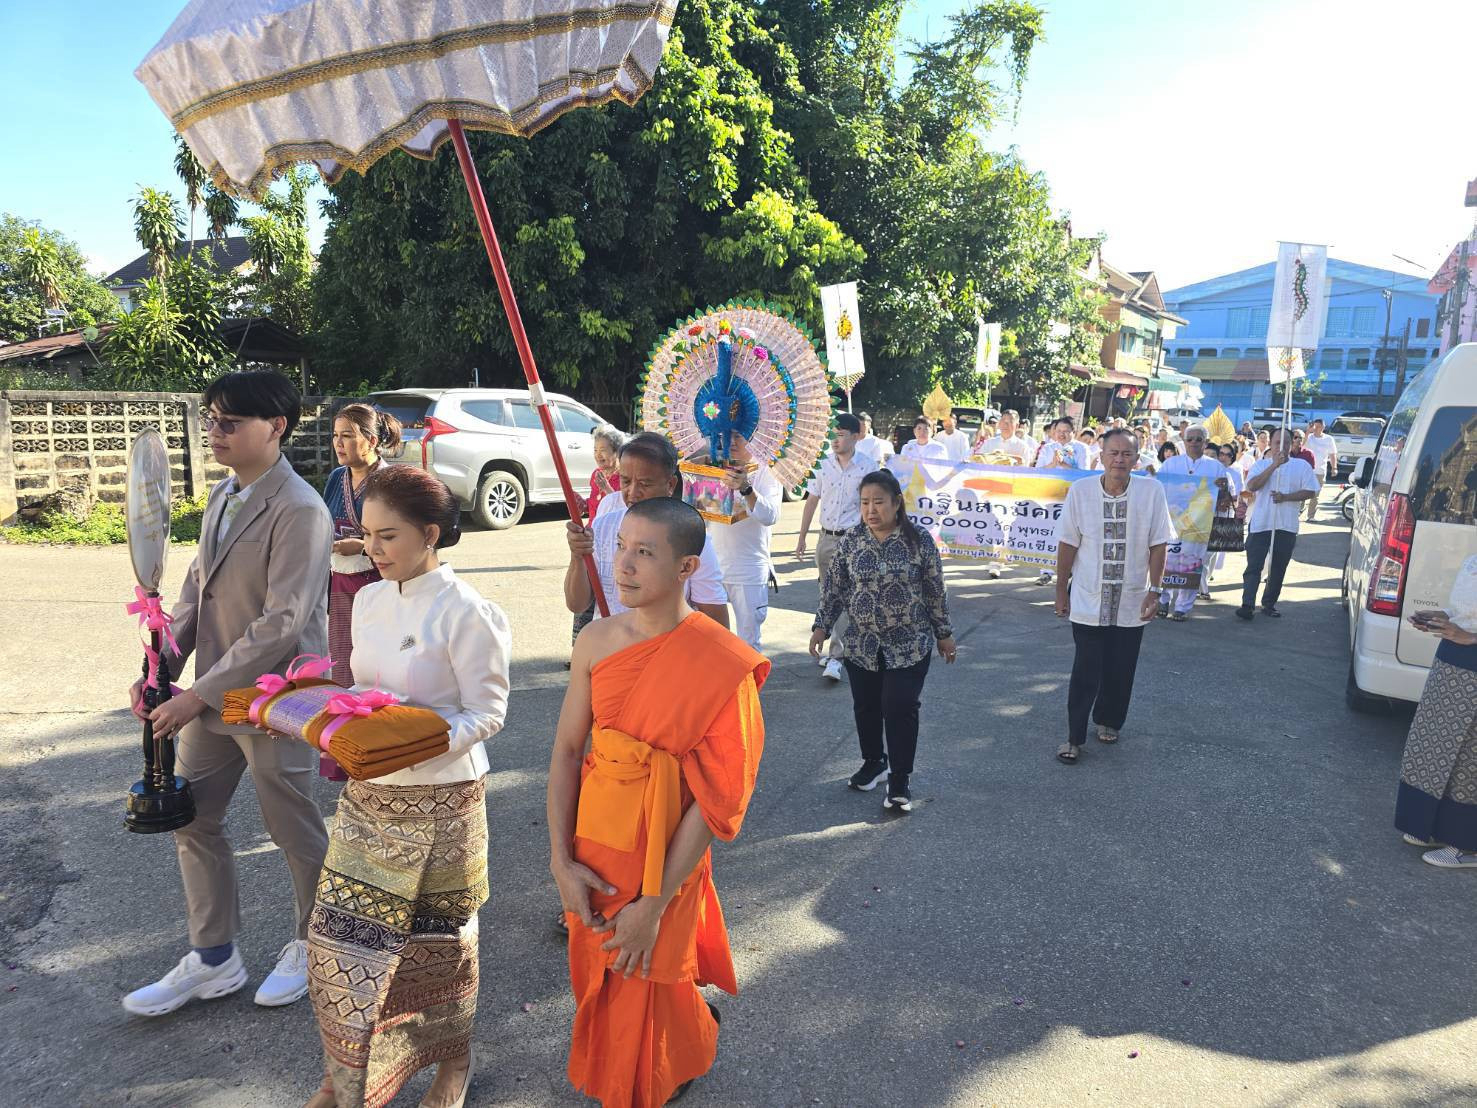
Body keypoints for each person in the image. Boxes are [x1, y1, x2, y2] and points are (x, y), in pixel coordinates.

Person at [123, 371, 332, 1018]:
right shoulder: (222, 495)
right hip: (211, 698)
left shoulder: (300, 509)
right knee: (193, 818)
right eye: (211, 419)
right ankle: (214, 958)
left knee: (291, 828)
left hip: (278, 697)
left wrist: (195, 693)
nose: (215, 431)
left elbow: (283, 621)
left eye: (229, 421)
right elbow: (194, 595)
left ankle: (314, 945)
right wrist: (164, 665)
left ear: (276, 427)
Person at [549, 497, 767, 1108]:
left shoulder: (720, 661)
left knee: (648, 962)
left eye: (645, 552)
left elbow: (716, 795)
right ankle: (673, 1045)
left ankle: (664, 1067)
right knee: (601, 965)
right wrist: (560, 861)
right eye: (621, 547)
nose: (624, 565)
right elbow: (567, 752)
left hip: (667, 851)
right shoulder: (595, 639)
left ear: (686, 567)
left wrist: (656, 898)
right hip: (595, 841)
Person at [305, 466, 511, 1108]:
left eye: (387, 536)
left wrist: (412, 739)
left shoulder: (469, 612)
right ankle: (345, 1076)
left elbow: (488, 712)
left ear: (430, 534)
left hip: (444, 802)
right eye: (366, 534)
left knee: (440, 949)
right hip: (370, 800)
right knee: (342, 944)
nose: (372, 548)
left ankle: (454, 1065)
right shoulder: (367, 600)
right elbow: (359, 691)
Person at [811, 469, 955, 812]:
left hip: (909, 643)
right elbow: (834, 588)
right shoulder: (851, 541)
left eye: (878, 502)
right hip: (862, 645)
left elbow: (935, 590)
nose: (870, 510)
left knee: (899, 707)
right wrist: (822, 626)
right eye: (864, 503)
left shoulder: (919, 540)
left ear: (896, 503)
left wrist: (944, 634)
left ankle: (900, 779)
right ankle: (874, 761)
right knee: (867, 707)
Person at [1053, 428, 1173, 764]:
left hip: (1132, 598)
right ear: (1101, 456)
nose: (1119, 460)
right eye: (1113, 453)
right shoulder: (1081, 491)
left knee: (1121, 668)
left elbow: (1159, 543)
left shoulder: (1152, 491)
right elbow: (1068, 543)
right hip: (1089, 598)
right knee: (1086, 669)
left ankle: (1109, 720)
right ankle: (1074, 736)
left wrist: (1156, 590)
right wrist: (1061, 589)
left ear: (1137, 458)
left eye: (1127, 454)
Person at [565, 432, 729, 628]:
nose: (632, 493)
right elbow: (577, 603)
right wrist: (578, 555)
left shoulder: (692, 536)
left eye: (645, 484)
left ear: (670, 484)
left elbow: (716, 624)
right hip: (610, 650)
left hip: (668, 651)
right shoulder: (602, 526)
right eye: (625, 481)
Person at [1395, 556, 1477, 868]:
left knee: (1468, 756)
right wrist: (1442, 618)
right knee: (1432, 746)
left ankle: (1467, 846)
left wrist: (1471, 637)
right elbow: (1467, 613)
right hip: (1452, 659)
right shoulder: (1472, 558)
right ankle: (1434, 826)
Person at [323, 403, 403, 689]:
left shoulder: (391, 483)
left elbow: (403, 539)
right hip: (341, 587)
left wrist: (361, 546)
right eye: (335, 435)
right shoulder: (336, 479)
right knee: (343, 659)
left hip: (380, 584)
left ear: (371, 440)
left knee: (379, 661)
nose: (338, 443)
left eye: (347, 435)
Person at [796, 413, 876, 680]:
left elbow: (874, 505)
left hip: (853, 539)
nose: (835, 439)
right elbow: (811, 500)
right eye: (833, 434)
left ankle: (836, 656)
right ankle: (835, 645)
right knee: (827, 594)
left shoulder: (867, 467)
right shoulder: (823, 464)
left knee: (846, 595)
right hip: (826, 538)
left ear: (855, 436)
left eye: (841, 434)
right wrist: (802, 536)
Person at [707, 432, 782, 651]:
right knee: (710, 641)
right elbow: (703, 513)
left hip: (748, 569)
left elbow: (771, 516)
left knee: (747, 645)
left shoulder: (767, 470)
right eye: (726, 436)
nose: (731, 442)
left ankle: (749, 686)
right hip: (713, 567)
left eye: (739, 436)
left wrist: (746, 489)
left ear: (755, 438)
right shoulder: (716, 465)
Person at [1236, 428, 1320, 621]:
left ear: (1292, 444)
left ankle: (1269, 603)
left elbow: (1311, 491)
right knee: (1253, 567)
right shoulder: (1260, 465)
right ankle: (1247, 604)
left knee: (1278, 568)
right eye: (1276, 442)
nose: (1281, 446)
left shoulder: (1302, 466)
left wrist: (1286, 497)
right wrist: (1273, 466)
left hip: (1286, 526)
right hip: (1261, 524)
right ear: (1270, 444)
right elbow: (1252, 486)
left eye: (1286, 442)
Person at [1156, 426, 1229, 621]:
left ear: (1205, 442)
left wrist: (1223, 490)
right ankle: (1163, 600)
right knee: (1167, 561)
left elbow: (1226, 497)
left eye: (1199, 439)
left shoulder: (1215, 467)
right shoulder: (1171, 464)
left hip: (1199, 524)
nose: (1194, 443)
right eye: (1190, 439)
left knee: (1192, 563)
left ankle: (1183, 607)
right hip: (1172, 523)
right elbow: (1157, 486)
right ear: (1184, 441)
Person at [571, 425, 626, 650]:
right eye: (595, 450)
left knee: (602, 593)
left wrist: (610, 492)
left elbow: (624, 507)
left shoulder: (624, 477)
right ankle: (580, 647)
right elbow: (594, 507)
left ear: (616, 452)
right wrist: (581, 504)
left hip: (612, 542)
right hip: (590, 538)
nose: (598, 455)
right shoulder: (595, 476)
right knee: (583, 596)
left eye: (603, 449)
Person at [1302, 418, 1338, 522]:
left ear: (1323, 427)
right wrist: (1308, 432)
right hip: (1308, 470)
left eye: (1319, 427)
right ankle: (1299, 511)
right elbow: (1302, 446)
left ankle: (1311, 516)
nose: (1316, 429)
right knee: (1303, 492)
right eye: (1315, 426)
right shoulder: (1309, 438)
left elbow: (1332, 454)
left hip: (1320, 470)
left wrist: (1334, 467)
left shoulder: (1329, 439)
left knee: (1315, 495)